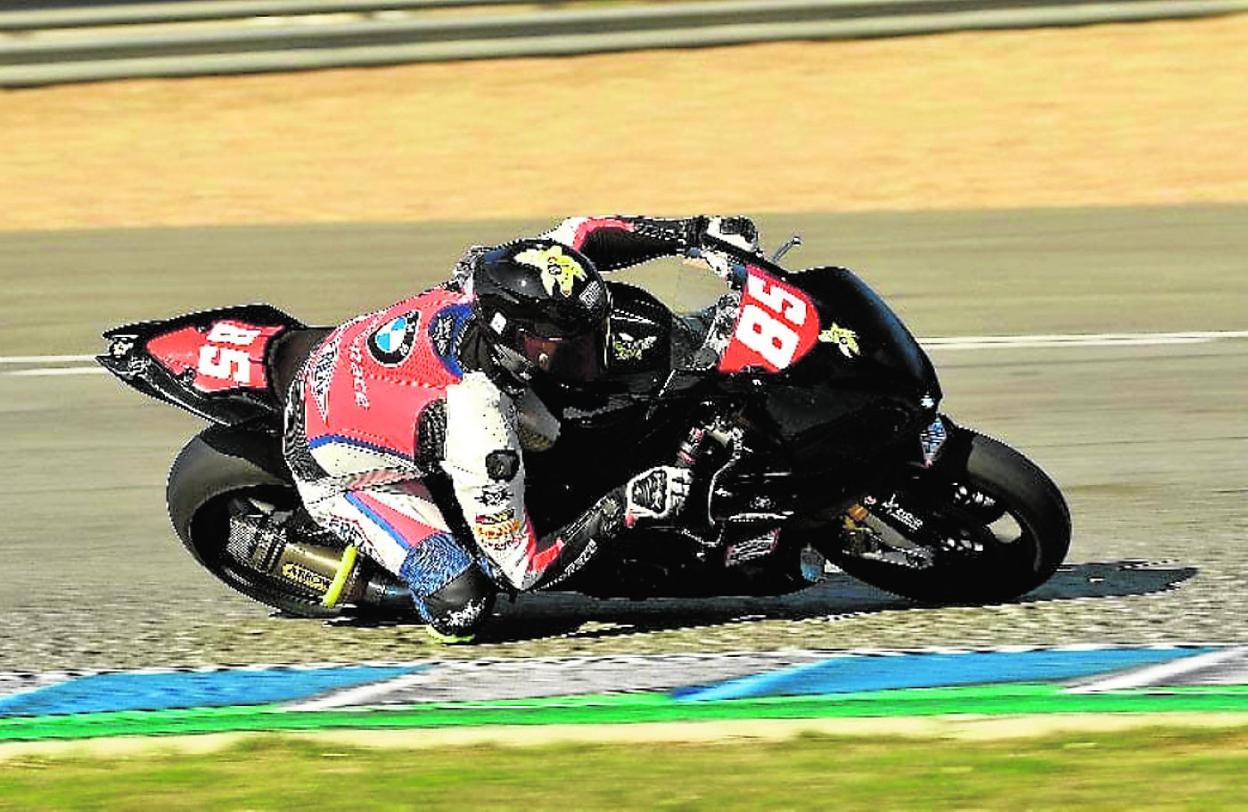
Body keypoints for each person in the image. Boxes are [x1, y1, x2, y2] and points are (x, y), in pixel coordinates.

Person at [282, 215, 761, 641]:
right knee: (465, 603)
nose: (590, 353)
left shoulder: (493, 278)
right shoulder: (480, 434)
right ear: (513, 340)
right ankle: (377, 586)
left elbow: (584, 232)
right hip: (332, 467)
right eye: (571, 346)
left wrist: (692, 234)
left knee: (556, 432)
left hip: (353, 372)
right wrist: (623, 506)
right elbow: (524, 569)